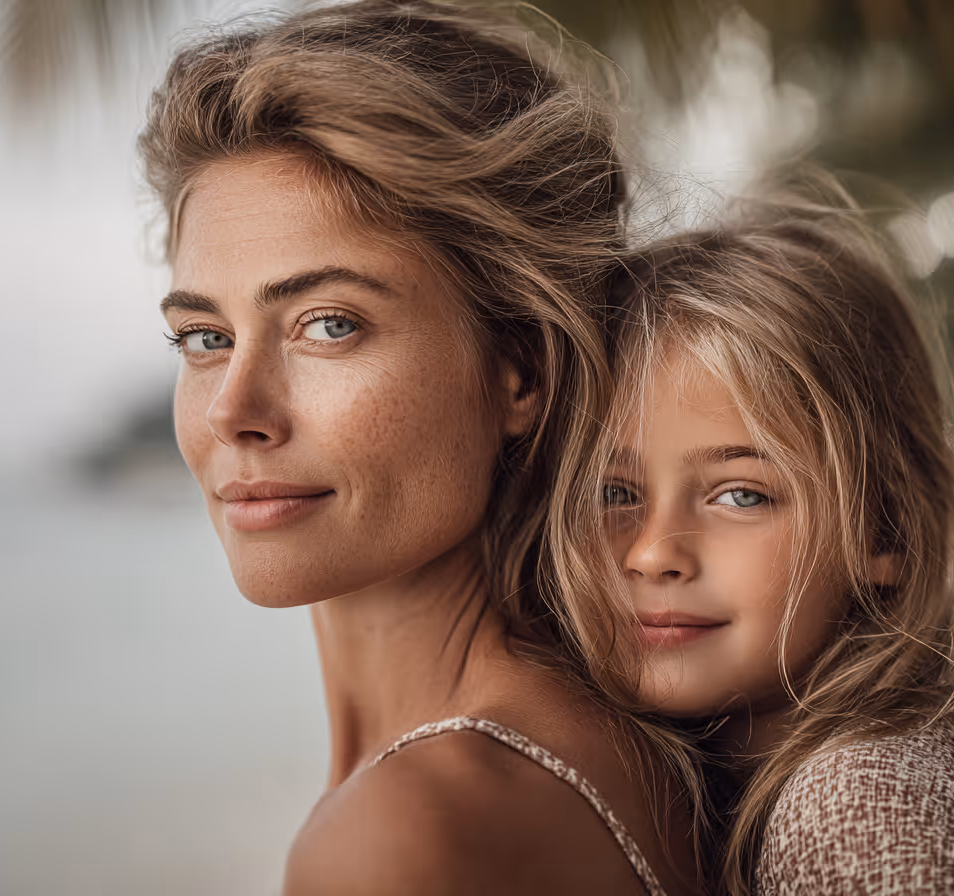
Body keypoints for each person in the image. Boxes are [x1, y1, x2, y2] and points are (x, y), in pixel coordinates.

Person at [139, 2, 701, 893]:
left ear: (521, 371)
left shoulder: (401, 838)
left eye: (328, 324)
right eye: (204, 337)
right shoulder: (618, 739)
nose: (233, 412)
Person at [545, 185, 954, 895]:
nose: (652, 552)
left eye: (741, 495)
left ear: (885, 530)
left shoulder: (860, 813)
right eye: (614, 494)